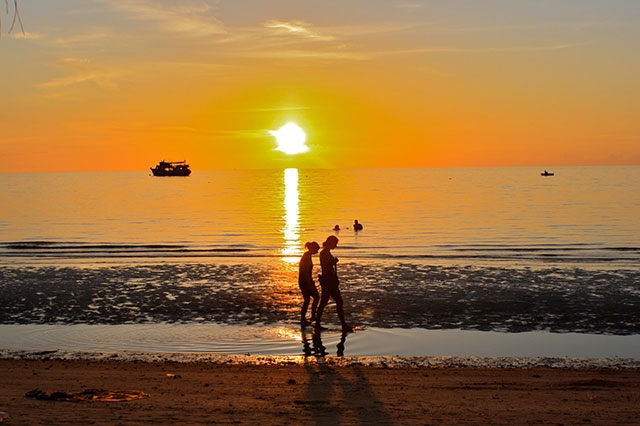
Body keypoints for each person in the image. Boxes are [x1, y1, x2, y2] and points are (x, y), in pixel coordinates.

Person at [315, 235, 353, 332]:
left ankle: (343, 324)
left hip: (331, 280)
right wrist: (333, 262)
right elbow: (326, 266)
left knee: (337, 302)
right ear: (330, 243)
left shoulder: (326, 252)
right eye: (335, 244)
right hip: (328, 281)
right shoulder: (323, 253)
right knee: (325, 302)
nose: (335, 245)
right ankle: (318, 324)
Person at [298, 241, 320, 327]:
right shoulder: (306, 257)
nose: (317, 252)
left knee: (307, 300)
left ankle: (304, 318)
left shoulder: (307, 256)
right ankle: (312, 316)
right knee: (315, 297)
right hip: (305, 281)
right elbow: (305, 271)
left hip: (304, 281)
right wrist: (309, 282)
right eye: (316, 250)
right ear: (312, 248)